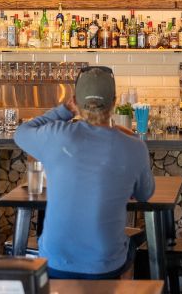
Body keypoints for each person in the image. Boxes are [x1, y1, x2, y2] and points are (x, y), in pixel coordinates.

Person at [14, 66, 155, 279]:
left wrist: (64, 111)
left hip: (56, 258)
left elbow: (22, 132)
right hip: (105, 262)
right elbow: (145, 194)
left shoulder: (56, 136)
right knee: (130, 247)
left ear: (76, 101)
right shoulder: (134, 147)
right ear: (114, 102)